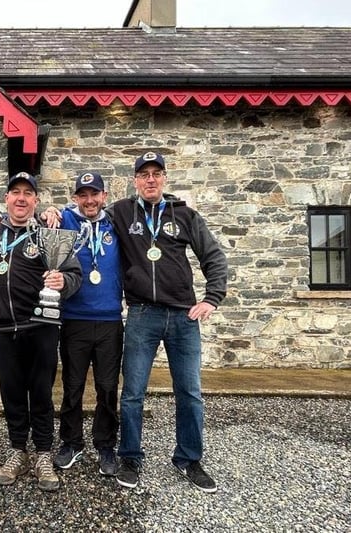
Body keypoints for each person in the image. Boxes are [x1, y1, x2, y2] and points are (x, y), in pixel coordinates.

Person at [107, 151, 227, 493]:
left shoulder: (185, 215)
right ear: (135, 180)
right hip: (142, 315)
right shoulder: (122, 212)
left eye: (155, 173)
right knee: (132, 393)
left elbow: (214, 257)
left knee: (189, 393)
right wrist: (56, 211)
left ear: (164, 178)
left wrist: (211, 299)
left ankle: (189, 459)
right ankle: (130, 457)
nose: (149, 179)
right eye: (143, 174)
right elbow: (85, 214)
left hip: (182, 317)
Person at [0, 172, 82, 492]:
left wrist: (63, 283)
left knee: (41, 395)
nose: (22, 198)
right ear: (6, 199)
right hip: (4, 330)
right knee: (12, 395)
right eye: (15, 192)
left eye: (28, 193)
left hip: (41, 329)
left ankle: (42, 453)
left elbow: (73, 275)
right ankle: (17, 451)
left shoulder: (48, 233)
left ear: (36, 200)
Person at [45, 172, 124, 477]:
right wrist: (49, 210)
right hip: (75, 318)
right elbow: (35, 220)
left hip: (109, 320)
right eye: (83, 195)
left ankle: (105, 444)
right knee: (72, 386)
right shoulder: (64, 219)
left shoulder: (116, 222)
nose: (89, 200)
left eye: (95, 194)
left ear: (104, 196)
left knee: (107, 388)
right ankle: (71, 441)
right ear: (75, 197)